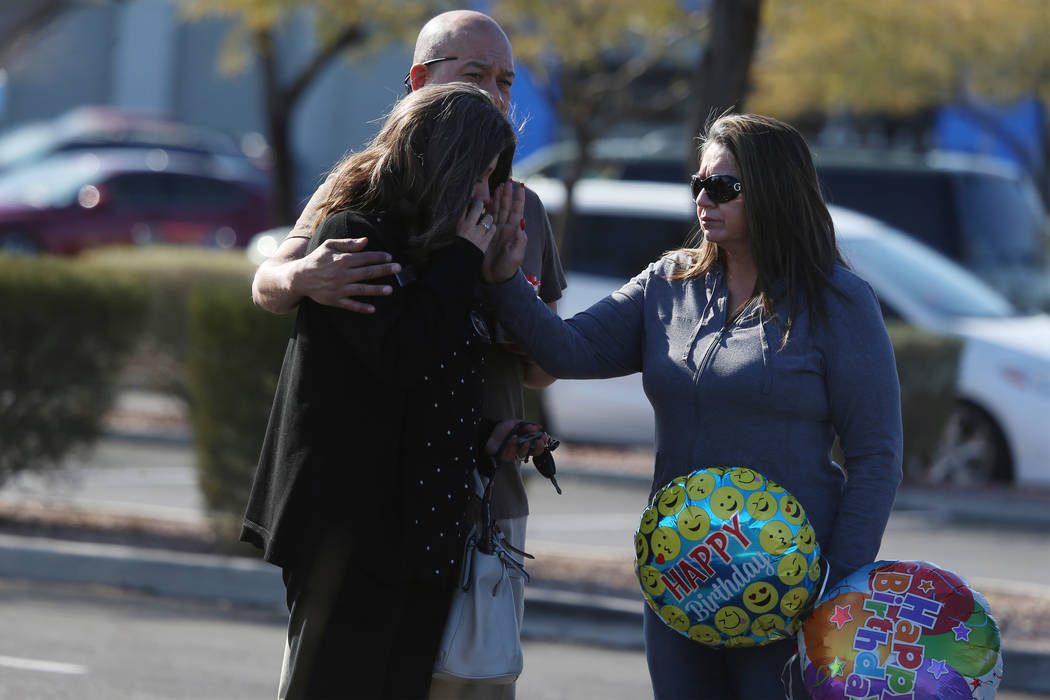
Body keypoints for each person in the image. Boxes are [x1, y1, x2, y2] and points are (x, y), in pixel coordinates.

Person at [481, 113, 904, 699]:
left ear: (775, 192)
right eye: (698, 185)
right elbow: (567, 348)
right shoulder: (667, 284)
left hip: (791, 586)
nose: (704, 199)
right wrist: (504, 280)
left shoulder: (839, 301)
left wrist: (836, 586)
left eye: (724, 187)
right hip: (681, 577)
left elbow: (876, 457)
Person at [251, 15, 566, 697]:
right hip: (365, 515)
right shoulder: (361, 204)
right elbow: (271, 283)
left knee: (466, 686)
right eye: (475, 75)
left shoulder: (516, 207)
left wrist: (502, 287)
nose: (494, 94)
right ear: (420, 84)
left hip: (472, 491)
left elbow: (544, 360)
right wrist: (305, 278)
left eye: (505, 81)